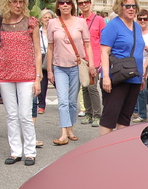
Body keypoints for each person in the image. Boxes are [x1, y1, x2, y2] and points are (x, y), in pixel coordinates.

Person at [0, 0, 42, 166]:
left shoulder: (30, 22)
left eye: (21, 2)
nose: (18, 5)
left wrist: (38, 77)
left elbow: (37, 51)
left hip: (26, 75)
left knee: (25, 115)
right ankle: (15, 151)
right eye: (14, 2)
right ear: (7, 3)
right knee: (11, 115)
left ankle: (30, 152)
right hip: (5, 74)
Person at [47, 0, 95, 145]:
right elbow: (50, 47)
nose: (65, 5)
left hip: (76, 66)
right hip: (59, 66)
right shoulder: (52, 23)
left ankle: (70, 129)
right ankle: (63, 134)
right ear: (58, 6)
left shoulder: (80, 22)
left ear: (72, 5)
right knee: (63, 101)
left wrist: (91, 64)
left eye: (68, 2)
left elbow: (87, 44)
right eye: (62, 2)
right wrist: (49, 70)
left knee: (72, 102)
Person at [99, 0, 145, 134]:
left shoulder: (137, 27)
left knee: (125, 118)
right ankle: (103, 150)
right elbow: (104, 52)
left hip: (134, 78)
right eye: (128, 6)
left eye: (134, 6)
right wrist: (106, 77)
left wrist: (140, 77)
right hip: (117, 78)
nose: (131, 9)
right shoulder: (113, 25)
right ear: (120, 7)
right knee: (110, 116)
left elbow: (138, 52)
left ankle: (118, 150)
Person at [78, 0, 105, 128]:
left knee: (92, 87)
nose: (84, 5)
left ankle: (97, 115)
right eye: (81, 3)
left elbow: (103, 41)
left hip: (94, 59)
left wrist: (99, 61)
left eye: (86, 2)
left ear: (90, 3)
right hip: (81, 59)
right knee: (84, 87)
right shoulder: (77, 20)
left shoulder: (98, 20)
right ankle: (88, 113)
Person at [132, 9, 148, 123]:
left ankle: (143, 114)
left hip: (147, 63)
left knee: (143, 89)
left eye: (144, 19)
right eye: (140, 19)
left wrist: (147, 49)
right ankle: (136, 110)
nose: (142, 21)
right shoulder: (134, 31)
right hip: (135, 62)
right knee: (134, 88)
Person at [37, 9, 55, 115]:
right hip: (41, 56)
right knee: (42, 82)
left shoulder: (55, 30)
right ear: (41, 19)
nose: (47, 20)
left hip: (53, 56)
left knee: (57, 81)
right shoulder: (38, 32)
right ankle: (41, 105)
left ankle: (64, 103)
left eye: (49, 17)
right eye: (45, 17)